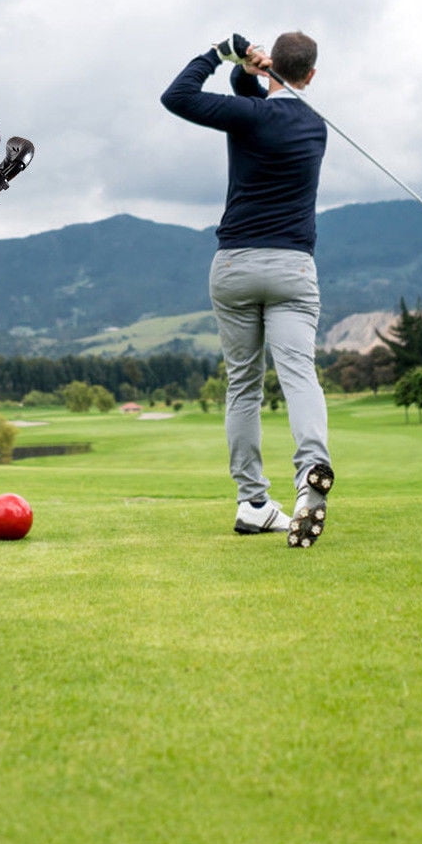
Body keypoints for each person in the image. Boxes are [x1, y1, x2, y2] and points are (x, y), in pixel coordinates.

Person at [160, 32, 335, 547]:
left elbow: (178, 96)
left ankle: (254, 503)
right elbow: (257, 99)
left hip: (235, 265)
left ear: (274, 66)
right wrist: (255, 71)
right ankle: (310, 474)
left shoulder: (249, 116)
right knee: (298, 373)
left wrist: (222, 56)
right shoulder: (315, 126)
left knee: (244, 386)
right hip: (292, 269)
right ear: (312, 75)